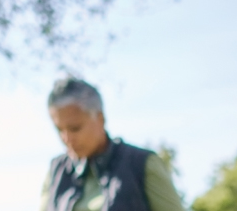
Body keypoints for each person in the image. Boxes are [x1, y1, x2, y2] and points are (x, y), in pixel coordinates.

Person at [41, 77, 184, 211]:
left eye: (75, 128)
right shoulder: (56, 172)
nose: (66, 138)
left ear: (100, 118)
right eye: (59, 129)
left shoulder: (142, 164)